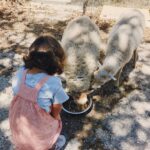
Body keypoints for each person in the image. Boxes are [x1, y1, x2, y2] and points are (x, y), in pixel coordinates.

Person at [9, 35, 69, 150]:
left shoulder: (21, 72)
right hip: (39, 133)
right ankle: (51, 145)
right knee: (51, 127)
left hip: (19, 127)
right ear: (56, 62)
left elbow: (16, 92)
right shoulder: (53, 83)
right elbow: (56, 108)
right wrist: (53, 118)